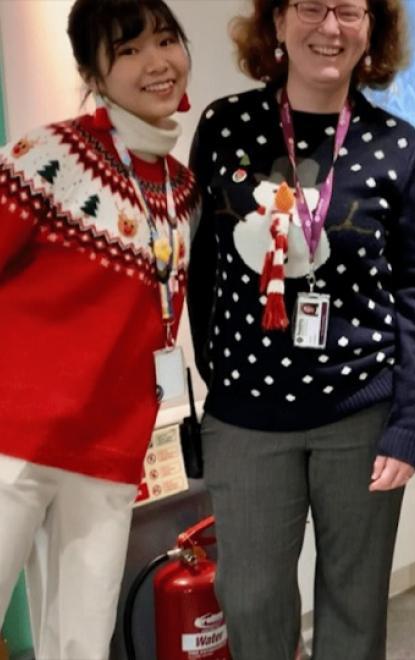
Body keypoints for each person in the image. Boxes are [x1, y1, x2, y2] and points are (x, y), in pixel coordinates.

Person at [187, 0, 415, 658]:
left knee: (355, 610)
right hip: (246, 419)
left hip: (360, 415)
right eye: (309, 7)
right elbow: (204, 265)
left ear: (372, 30)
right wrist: (220, 374)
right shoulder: (225, 127)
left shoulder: (397, 145)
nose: (329, 28)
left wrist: (411, 422)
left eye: (349, 11)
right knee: (250, 602)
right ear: (276, 22)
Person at [0, 0, 197, 657]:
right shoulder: (51, 154)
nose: (155, 63)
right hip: (15, 442)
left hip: (111, 453)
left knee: (81, 640)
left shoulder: (182, 188)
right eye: (129, 49)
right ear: (92, 70)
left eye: (165, 41)